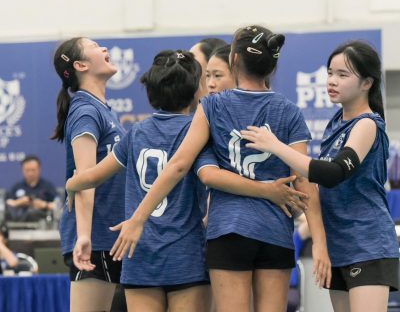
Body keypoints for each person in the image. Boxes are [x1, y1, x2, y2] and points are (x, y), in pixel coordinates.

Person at [68, 25, 330, 312]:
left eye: (216, 75)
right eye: (208, 76)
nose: (212, 82)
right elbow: (304, 182)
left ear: (234, 60)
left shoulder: (207, 109)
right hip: (266, 231)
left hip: (224, 231)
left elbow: (185, 167)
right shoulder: (289, 110)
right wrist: (319, 241)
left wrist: (134, 215)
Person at [240, 40, 399, 312]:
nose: (332, 81)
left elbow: (333, 173)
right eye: (330, 73)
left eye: (343, 74)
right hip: (339, 245)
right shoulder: (335, 124)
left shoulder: (367, 124)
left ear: (367, 83)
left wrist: (275, 145)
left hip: (368, 244)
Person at [51, 37, 126, 312]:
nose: (104, 48)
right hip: (94, 240)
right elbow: (84, 178)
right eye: (95, 46)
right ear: (81, 65)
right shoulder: (86, 110)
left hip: (110, 237)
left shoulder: (102, 110)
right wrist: (84, 236)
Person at [6, 155, 59, 222]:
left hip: (42, 221)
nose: (30, 173)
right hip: (19, 222)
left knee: (32, 213)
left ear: (39, 169)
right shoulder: (16, 187)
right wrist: (18, 202)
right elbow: (7, 202)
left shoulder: (48, 186)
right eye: (27, 170)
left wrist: (45, 205)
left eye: (33, 170)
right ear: (22, 170)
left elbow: (58, 204)